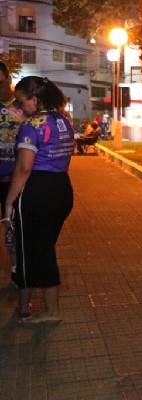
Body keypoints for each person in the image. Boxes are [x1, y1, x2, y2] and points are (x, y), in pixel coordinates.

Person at [4, 76, 74, 324]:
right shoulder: (63, 121)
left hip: (37, 191)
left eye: (22, 101)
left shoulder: (31, 125)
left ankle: (50, 311)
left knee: (34, 251)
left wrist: (9, 203)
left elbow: (24, 168)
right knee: (44, 248)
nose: (20, 106)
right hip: (62, 188)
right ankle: (38, 307)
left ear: (34, 99)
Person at [0, 61, 25, 298]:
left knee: (12, 228)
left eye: (0, 83)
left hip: (14, 181)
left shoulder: (23, 106)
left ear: (8, 80)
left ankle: (17, 272)